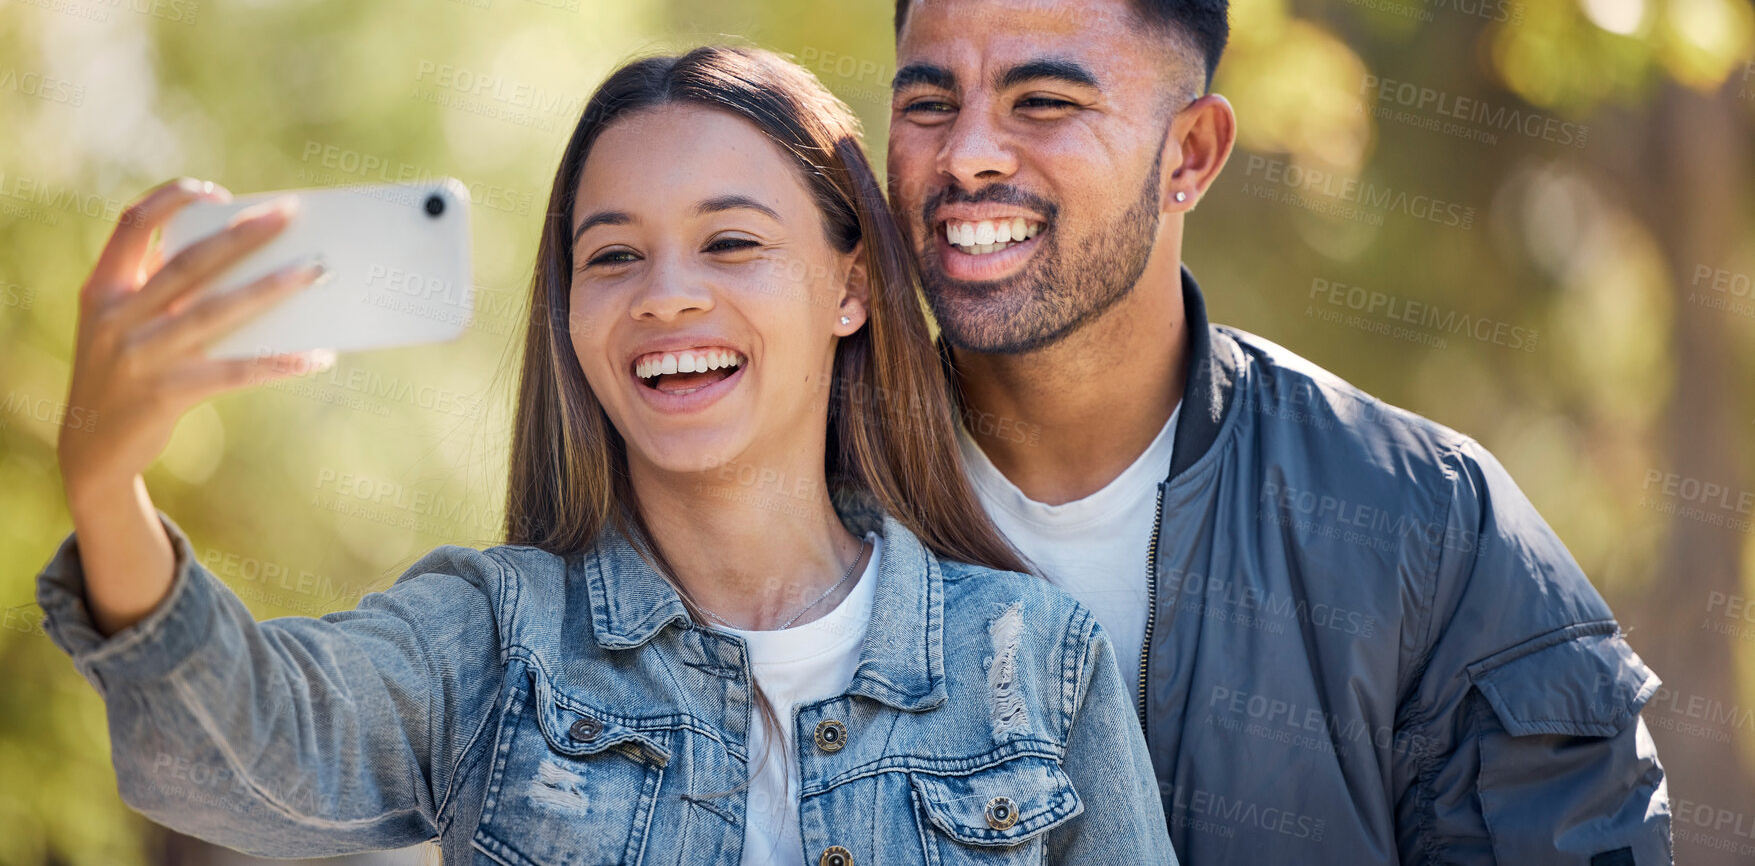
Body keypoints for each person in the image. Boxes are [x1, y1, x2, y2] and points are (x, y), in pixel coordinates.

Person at [36, 46, 1177, 864]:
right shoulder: (492, 641)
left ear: (851, 286)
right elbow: (239, 749)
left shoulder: (1034, 661)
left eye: (731, 242)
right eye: (612, 255)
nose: (667, 296)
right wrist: (104, 481)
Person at [881, 0, 1672, 864]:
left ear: (1191, 156)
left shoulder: (1427, 529)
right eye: (928, 102)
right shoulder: (793, 492)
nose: (967, 155)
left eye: (1042, 101)